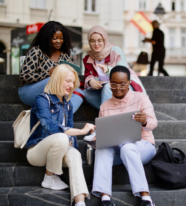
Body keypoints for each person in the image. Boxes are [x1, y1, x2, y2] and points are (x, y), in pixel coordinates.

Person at [26, 64, 94, 206]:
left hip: (57, 151)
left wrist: (70, 141)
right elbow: (50, 127)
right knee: (62, 137)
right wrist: (81, 131)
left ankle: (80, 202)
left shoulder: (68, 104)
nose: (71, 85)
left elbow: (68, 131)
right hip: (37, 152)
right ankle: (49, 177)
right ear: (57, 79)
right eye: (67, 81)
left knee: (75, 154)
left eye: (73, 82)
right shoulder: (42, 100)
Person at [92, 66, 157, 206]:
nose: (118, 88)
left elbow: (153, 124)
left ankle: (145, 198)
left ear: (129, 82)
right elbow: (104, 133)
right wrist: (97, 137)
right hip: (117, 151)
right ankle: (105, 199)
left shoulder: (141, 98)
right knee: (102, 149)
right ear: (109, 83)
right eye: (114, 84)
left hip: (143, 147)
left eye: (123, 84)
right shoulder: (104, 106)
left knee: (127, 147)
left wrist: (144, 121)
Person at [18, 21, 84, 113]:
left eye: (61, 38)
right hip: (29, 91)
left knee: (79, 93)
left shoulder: (66, 54)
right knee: (57, 79)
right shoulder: (36, 51)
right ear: (47, 38)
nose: (59, 41)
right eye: (55, 38)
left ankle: (61, 116)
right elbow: (24, 76)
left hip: (57, 91)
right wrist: (48, 74)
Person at [83, 26, 146, 110]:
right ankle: (119, 110)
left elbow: (123, 71)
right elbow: (87, 73)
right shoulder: (88, 57)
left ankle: (106, 116)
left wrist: (108, 69)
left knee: (108, 87)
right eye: (92, 41)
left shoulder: (115, 51)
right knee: (85, 93)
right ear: (89, 42)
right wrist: (91, 81)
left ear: (104, 40)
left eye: (99, 40)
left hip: (123, 86)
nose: (96, 44)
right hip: (104, 90)